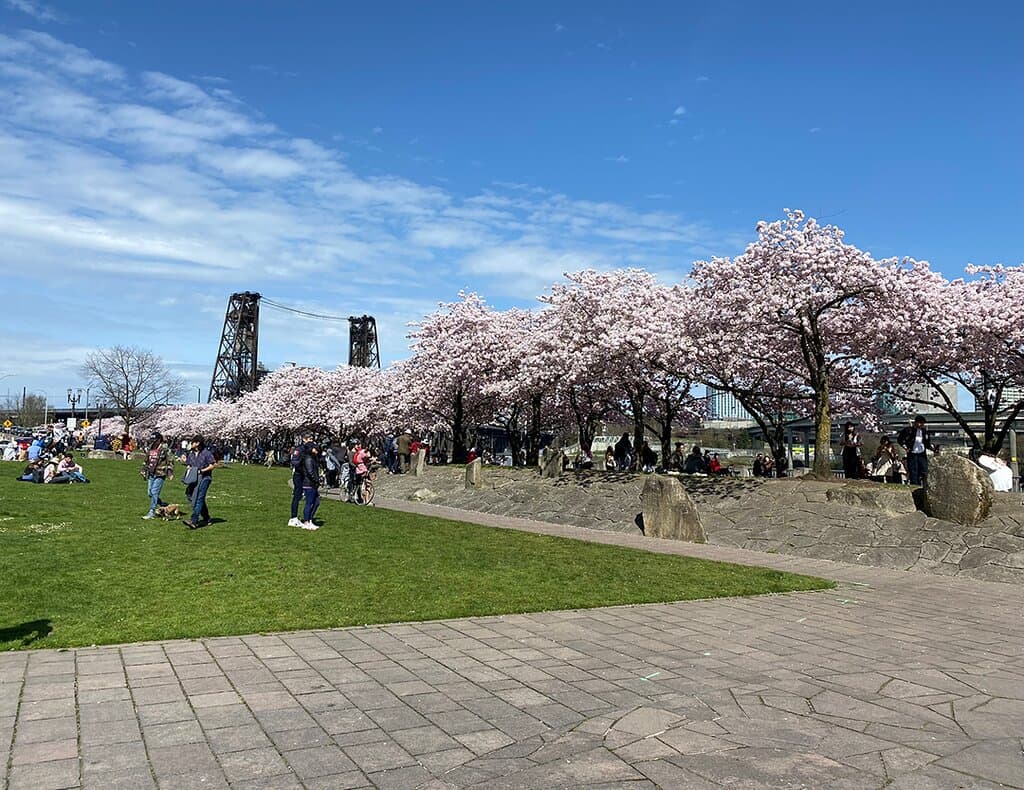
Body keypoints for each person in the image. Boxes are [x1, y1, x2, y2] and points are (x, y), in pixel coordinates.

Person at [183, 436, 217, 530]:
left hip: (205, 478)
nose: (191, 444)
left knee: (199, 498)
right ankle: (207, 518)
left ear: (197, 443)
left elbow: (212, 465)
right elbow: (189, 464)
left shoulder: (206, 453)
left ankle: (194, 520)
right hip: (194, 478)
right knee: (189, 495)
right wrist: (187, 464)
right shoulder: (192, 454)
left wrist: (202, 470)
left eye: (192, 442)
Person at [141, 432, 174, 519]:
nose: (153, 442)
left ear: (159, 440)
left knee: (154, 492)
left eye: (155, 440)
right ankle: (163, 504)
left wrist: (170, 472)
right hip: (151, 473)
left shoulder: (165, 449)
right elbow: (146, 460)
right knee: (150, 493)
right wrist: (143, 470)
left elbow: (170, 461)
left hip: (160, 473)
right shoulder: (150, 448)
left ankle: (152, 512)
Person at [897, 415, 936, 486]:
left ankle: (924, 486)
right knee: (913, 472)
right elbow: (900, 440)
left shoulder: (925, 432)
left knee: (924, 471)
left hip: (922, 454)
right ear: (916, 422)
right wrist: (905, 447)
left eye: (923, 423)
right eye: (920, 423)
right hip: (912, 453)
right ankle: (915, 486)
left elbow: (927, 443)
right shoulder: (908, 430)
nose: (921, 425)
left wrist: (933, 449)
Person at [298, 442, 321, 530]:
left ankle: (310, 519)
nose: (316, 450)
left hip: (312, 484)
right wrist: (316, 480)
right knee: (309, 503)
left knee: (316, 502)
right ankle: (306, 521)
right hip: (309, 484)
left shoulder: (312, 458)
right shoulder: (308, 459)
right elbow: (310, 472)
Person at [287, 438, 309, 528]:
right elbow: (295, 462)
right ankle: (293, 517)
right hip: (299, 474)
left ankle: (302, 517)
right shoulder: (299, 449)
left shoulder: (308, 450)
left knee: (301, 495)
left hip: (304, 474)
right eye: (309, 439)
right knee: (297, 495)